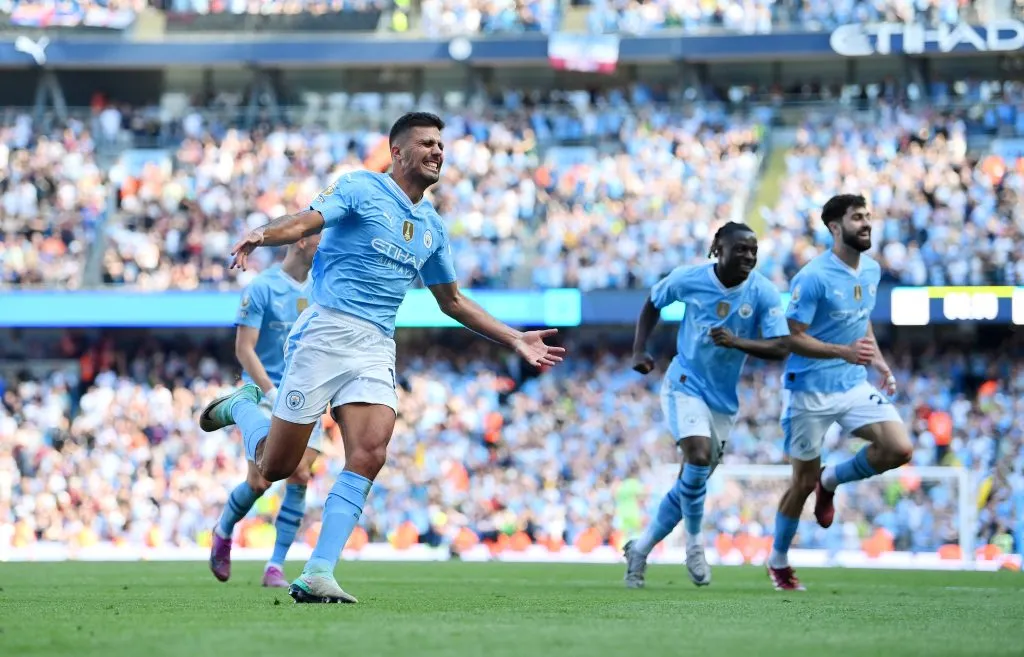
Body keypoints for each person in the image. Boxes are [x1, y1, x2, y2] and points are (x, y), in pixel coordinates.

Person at [198, 112, 565, 604]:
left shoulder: (432, 226)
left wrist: (514, 338)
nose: (437, 152)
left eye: (441, 145)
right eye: (426, 144)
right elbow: (308, 219)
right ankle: (242, 405)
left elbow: (451, 301)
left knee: (370, 453)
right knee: (276, 466)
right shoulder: (360, 188)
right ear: (397, 153)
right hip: (326, 330)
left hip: (375, 344)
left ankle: (318, 572)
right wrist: (264, 233)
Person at [624, 222, 789, 588]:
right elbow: (653, 302)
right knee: (697, 457)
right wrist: (639, 349)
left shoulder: (762, 292)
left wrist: (736, 342)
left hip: (723, 401)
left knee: (692, 481)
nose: (748, 255)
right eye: (740, 249)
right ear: (718, 248)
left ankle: (641, 548)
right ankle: (695, 545)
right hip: (684, 383)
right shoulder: (688, 279)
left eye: (753, 250)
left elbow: (781, 346)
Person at [766, 194, 912, 591]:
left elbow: (860, 323)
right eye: (857, 218)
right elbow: (790, 337)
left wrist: (877, 361)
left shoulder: (872, 271)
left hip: (851, 384)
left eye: (868, 217)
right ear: (835, 228)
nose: (866, 224)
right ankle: (778, 559)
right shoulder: (813, 276)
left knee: (899, 449)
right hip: (808, 391)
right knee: (800, 482)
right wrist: (842, 352)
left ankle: (830, 482)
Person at [208, 236, 322, 588]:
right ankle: (223, 528)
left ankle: (275, 564)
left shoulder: (324, 285)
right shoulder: (262, 288)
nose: (328, 240)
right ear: (301, 241)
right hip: (262, 392)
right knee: (259, 481)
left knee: (300, 475)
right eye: (321, 234)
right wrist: (272, 393)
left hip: (306, 393)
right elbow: (245, 350)